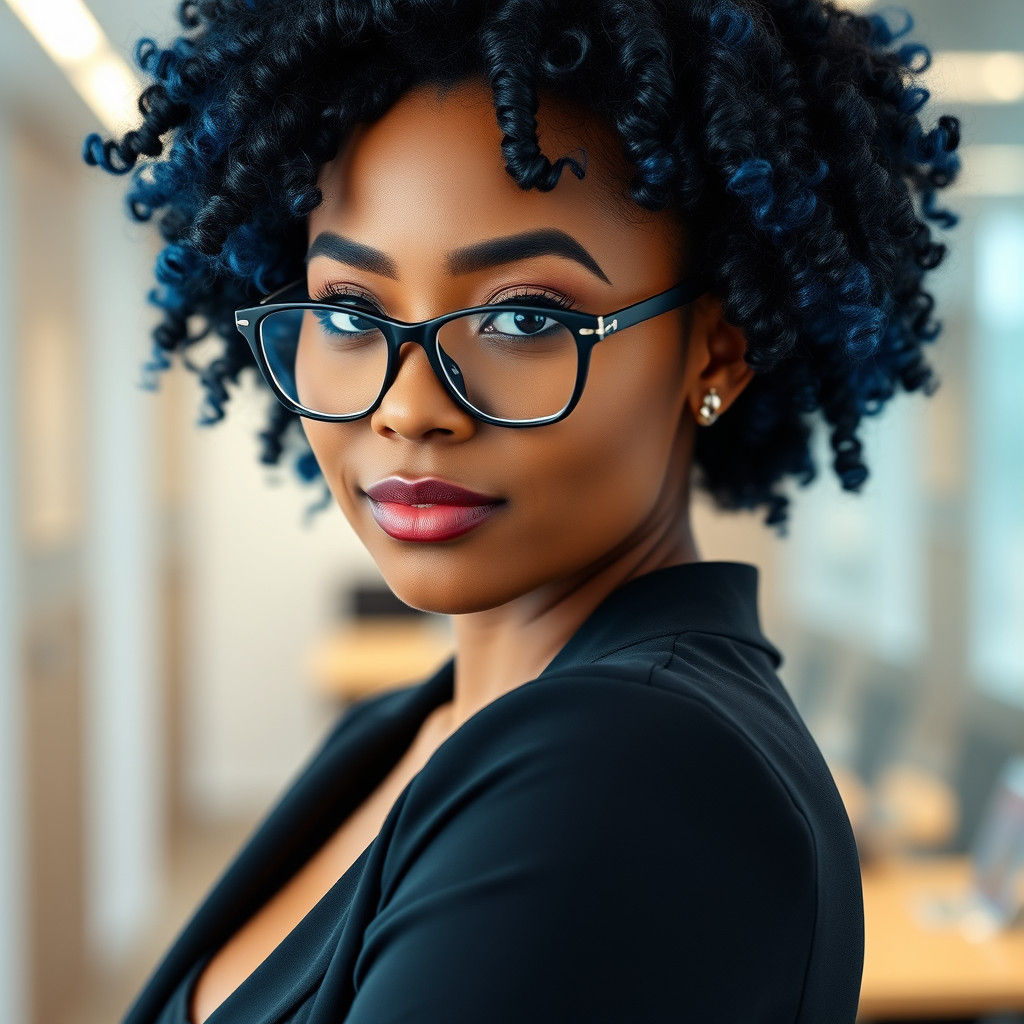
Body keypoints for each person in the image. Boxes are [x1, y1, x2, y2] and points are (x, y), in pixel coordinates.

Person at [82, 1, 962, 1021]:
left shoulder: (629, 769)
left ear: (715, 349)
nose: (408, 406)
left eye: (522, 316)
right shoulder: (412, 727)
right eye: (346, 313)